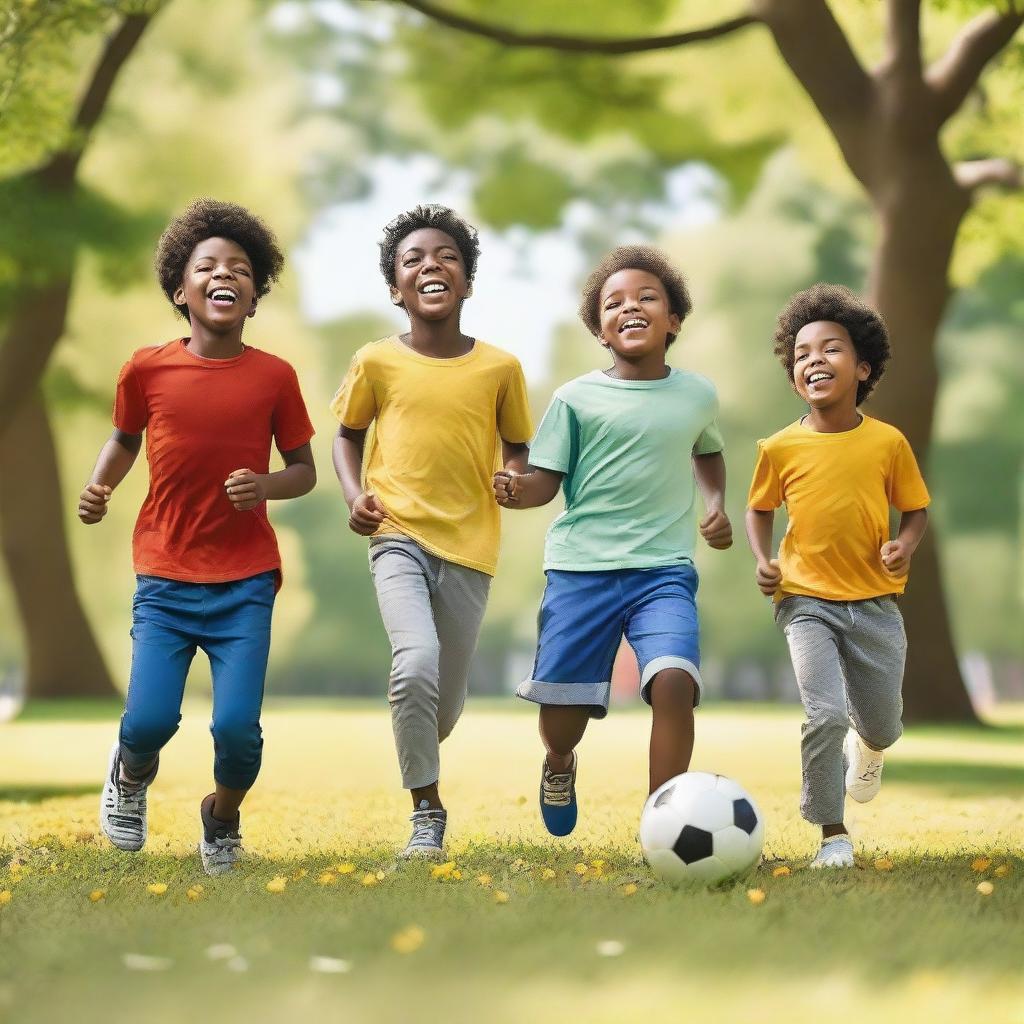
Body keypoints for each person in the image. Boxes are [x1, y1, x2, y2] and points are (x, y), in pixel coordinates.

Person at [80, 198, 316, 875]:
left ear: (254, 294)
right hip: (166, 571)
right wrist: (102, 487)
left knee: (238, 731)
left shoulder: (275, 377)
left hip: (246, 579)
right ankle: (130, 773)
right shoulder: (146, 369)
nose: (224, 275)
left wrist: (265, 486)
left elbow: (302, 470)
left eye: (240, 269)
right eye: (206, 265)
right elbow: (124, 439)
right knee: (151, 720)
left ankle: (221, 818)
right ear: (180, 289)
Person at [494, 245, 732, 837]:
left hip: (664, 570)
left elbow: (708, 450)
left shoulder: (697, 395)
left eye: (647, 298)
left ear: (673, 319)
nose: (631, 307)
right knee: (563, 715)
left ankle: (666, 824)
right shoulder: (575, 398)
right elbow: (545, 483)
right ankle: (558, 761)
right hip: (582, 570)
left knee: (675, 681)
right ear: (599, 326)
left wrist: (716, 504)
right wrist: (516, 491)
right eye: (614, 302)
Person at [331, 205, 533, 859]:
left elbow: (518, 449)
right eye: (413, 258)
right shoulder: (376, 363)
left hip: (472, 547)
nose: (430, 265)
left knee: (440, 706)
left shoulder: (500, 368)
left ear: (468, 281)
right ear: (396, 288)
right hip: (397, 533)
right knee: (413, 667)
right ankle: (427, 812)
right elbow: (346, 436)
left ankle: (420, 742)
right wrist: (356, 493)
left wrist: (513, 478)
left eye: (445, 255)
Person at [744, 283, 929, 869]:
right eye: (801, 353)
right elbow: (759, 508)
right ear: (793, 373)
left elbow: (916, 509)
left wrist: (904, 542)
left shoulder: (888, 443)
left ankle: (870, 746)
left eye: (831, 349)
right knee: (822, 713)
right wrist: (764, 557)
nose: (814, 360)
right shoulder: (779, 447)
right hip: (805, 600)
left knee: (882, 721)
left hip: (875, 603)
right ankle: (832, 833)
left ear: (863, 367)